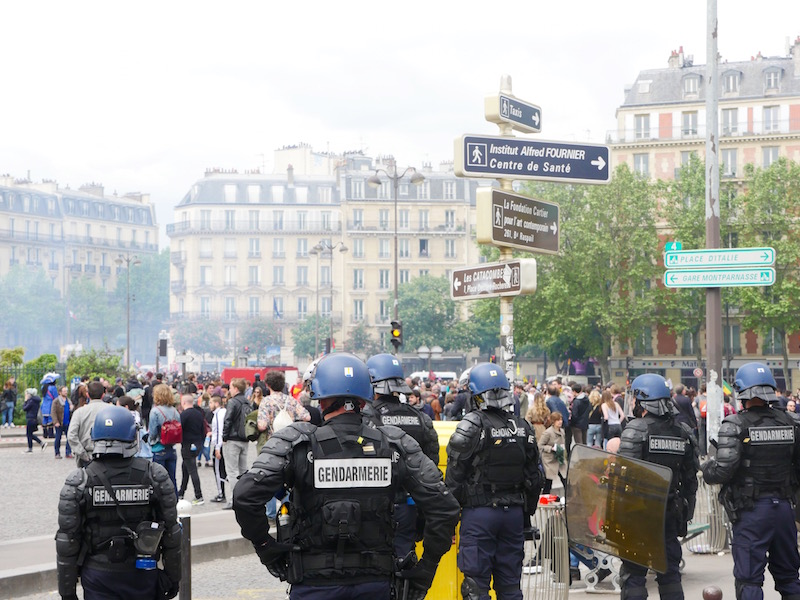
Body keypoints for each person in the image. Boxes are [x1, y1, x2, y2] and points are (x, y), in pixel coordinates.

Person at [233, 352, 459, 600]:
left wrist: (267, 548)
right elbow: (444, 506)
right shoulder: (394, 443)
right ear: (364, 399)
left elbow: (245, 496)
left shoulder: (298, 442)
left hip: (313, 583)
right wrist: (425, 569)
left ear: (321, 399)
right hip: (376, 582)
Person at [55, 405, 181, 600]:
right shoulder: (155, 475)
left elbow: (67, 541)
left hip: (98, 575)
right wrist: (174, 577)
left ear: (94, 435)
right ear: (133, 436)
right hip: (142, 574)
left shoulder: (80, 480)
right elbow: (172, 533)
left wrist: (67, 592)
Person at [702, 362, 800, 600]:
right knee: (789, 578)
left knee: (750, 581)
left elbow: (722, 471)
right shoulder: (791, 422)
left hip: (751, 512)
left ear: (741, 392)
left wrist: (707, 467)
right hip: (785, 510)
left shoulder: (735, 425)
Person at [446, 363, 543, 600]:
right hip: (513, 516)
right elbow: (536, 477)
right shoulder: (522, 427)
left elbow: (453, 478)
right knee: (510, 586)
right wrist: (525, 513)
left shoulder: (471, 425)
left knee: (476, 588)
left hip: (480, 514)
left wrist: (449, 521)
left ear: (475, 395)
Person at [618, 373, 698, 600]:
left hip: (638, 515)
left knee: (633, 575)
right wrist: (685, 516)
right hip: (669, 514)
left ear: (642, 399)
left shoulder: (635, 429)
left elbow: (624, 478)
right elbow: (691, 479)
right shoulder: (682, 432)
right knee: (670, 573)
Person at [364, 353, 440, 558]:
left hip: (372, 505)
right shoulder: (420, 417)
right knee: (405, 557)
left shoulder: (366, 417)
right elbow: (431, 462)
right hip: (409, 504)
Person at [222, 378, 251, 509]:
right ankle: (245, 496)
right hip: (244, 439)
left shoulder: (232, 402)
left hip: (232, 440)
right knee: (243, 470)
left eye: (231, 387)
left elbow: (228, 420)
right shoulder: (247, 402)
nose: (229, 390)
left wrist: (224, 436)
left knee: (232, 471)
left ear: (236, 389)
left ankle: (234, 499)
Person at [68, 381, 111, 467]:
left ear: (87, 395)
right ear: (103, 394)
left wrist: (83, 454)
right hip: (109, 455)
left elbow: (71, 435)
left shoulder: (79, 412)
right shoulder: (113, 410)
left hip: (87, 455)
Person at [149, 384, 181, 495]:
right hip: (171, 448)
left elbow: (152, 432)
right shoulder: (174, 411)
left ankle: (161, 504)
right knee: (172, 478)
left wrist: (149, 441)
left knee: (158, 479)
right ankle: (174, 500)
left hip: (158, 447)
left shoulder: (155, 411)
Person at [178, 394, 205, 505]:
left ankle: (199, 496)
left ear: (183, 403)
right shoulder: (199, 414)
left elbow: (179, 428)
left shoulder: (184, 415)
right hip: (197, 444)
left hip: (187, 444)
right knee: (185, 468)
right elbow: (203, 429)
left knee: (192, 470)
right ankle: (181, 493)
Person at [539, 412, 567, 494]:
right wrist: (551, 448)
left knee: (565, 479)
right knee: (548, 482)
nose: (560, 422)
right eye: (558, 420)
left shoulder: (562, 431)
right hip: (550, 460)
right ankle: (545, 498)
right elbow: (540, 445)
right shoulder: (548, 433)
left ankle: (569, 497)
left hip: (560, 459)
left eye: (561, 420)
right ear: (553, 422)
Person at [209, 395, 228, 503]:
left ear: (216, 403)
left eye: (211, 403)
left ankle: (221, 493)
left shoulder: (217, 414)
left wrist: (217, 447)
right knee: (224, 469)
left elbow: (218, 432)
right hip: (224, 444)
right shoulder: (224, 412)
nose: (210, 405)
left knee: (218, 471)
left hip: (219, 445)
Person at [22, 388, 47, 453]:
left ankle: (31, 447)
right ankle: (41, 443)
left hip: (30, 419)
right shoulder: (36, 400)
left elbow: (25, 408)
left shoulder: (31, 401)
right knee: (30, 434)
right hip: (34, 419)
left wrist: (25, 401)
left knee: (29, 434)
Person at [52, 385, 73, 459]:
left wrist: (71, 408)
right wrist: (55, 422)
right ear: (60, 392)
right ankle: (57, 453)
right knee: (58, 438)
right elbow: (53, 412)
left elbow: (71, 411)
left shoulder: (68, 400)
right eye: (64, 391)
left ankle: (68, 452)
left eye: (66, 391)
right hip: (59, 422)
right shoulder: (56, 401)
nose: (66, 392)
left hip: (67, 422)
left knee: (69, 438)